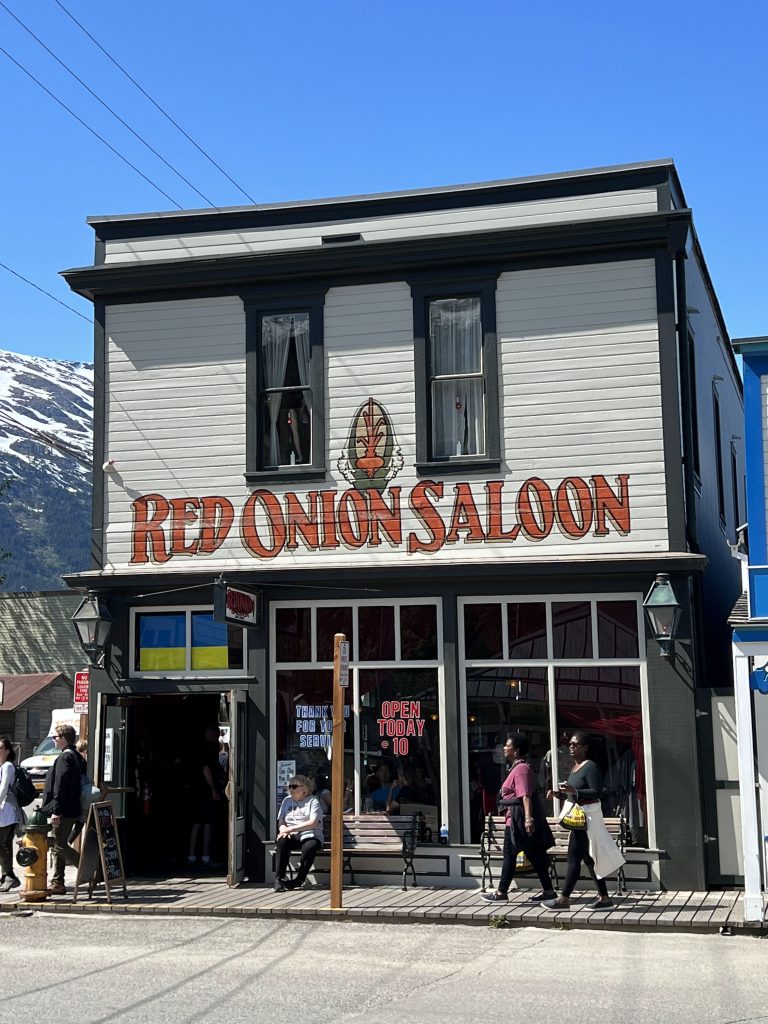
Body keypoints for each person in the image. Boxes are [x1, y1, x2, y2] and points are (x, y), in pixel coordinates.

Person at [543, 731, 626, 911]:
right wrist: (559, 794)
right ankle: (604, 898)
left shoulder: (591, 767)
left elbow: (597, 792)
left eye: (575, 744)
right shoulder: (574, 768)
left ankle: (564, 899)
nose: (571, 747)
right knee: (589, 859)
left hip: (587, 821)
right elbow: (574, 796)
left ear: (585, 747)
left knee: (574, 858)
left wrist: (574, 790)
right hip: (579, 821)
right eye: (570, 744)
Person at [481, 734, 556, 904]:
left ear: (516, 751)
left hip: (518, 820)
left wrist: (528, 820)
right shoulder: (516, 768)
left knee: (510, 855)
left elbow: (525, 796)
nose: (504, 748)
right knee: (535, 855)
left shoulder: (521, 769)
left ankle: (501, 892)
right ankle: (549, 891)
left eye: (507, 745)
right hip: (516, 818)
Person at [40, 723, 87, 895]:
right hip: (71, 808)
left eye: (56, 737)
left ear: (64, 739)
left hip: (64, 810)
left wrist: (56, 811)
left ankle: (90, 871)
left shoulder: (65, 758)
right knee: (59, 844)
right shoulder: (76, 756)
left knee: (59, 846)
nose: (53, 739)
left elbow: (61, 786)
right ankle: (58, 882)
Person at [274, 775, 323, 892]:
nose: (291, 788)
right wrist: (282, 830)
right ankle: (279, 879)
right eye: (290, 786)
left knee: (309, 846)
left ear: (305, 789)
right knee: (282, 842)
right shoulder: (286, 801)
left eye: (294, 786)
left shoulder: (313, 801)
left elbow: (313, 823)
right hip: (293, 836)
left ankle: (299, 879)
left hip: (311, 834)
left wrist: (289, 829)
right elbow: (281, 820)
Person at [187, 725, 224, 869]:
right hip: (205, 792)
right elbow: (206, 768)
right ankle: (206, 856)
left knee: (196, 824)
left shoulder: (197, 748)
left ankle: (191, 856)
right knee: (208, 824)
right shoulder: (208, 749)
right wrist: (213, 789)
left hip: (196, 791)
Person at [0, 736, 22, 893]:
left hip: (7, 810)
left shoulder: (8, 766)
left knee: (3, 844)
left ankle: (9, 876)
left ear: (7, 751)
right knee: (4, 844)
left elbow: (3, 788)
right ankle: (6, 875)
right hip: (3, 811)